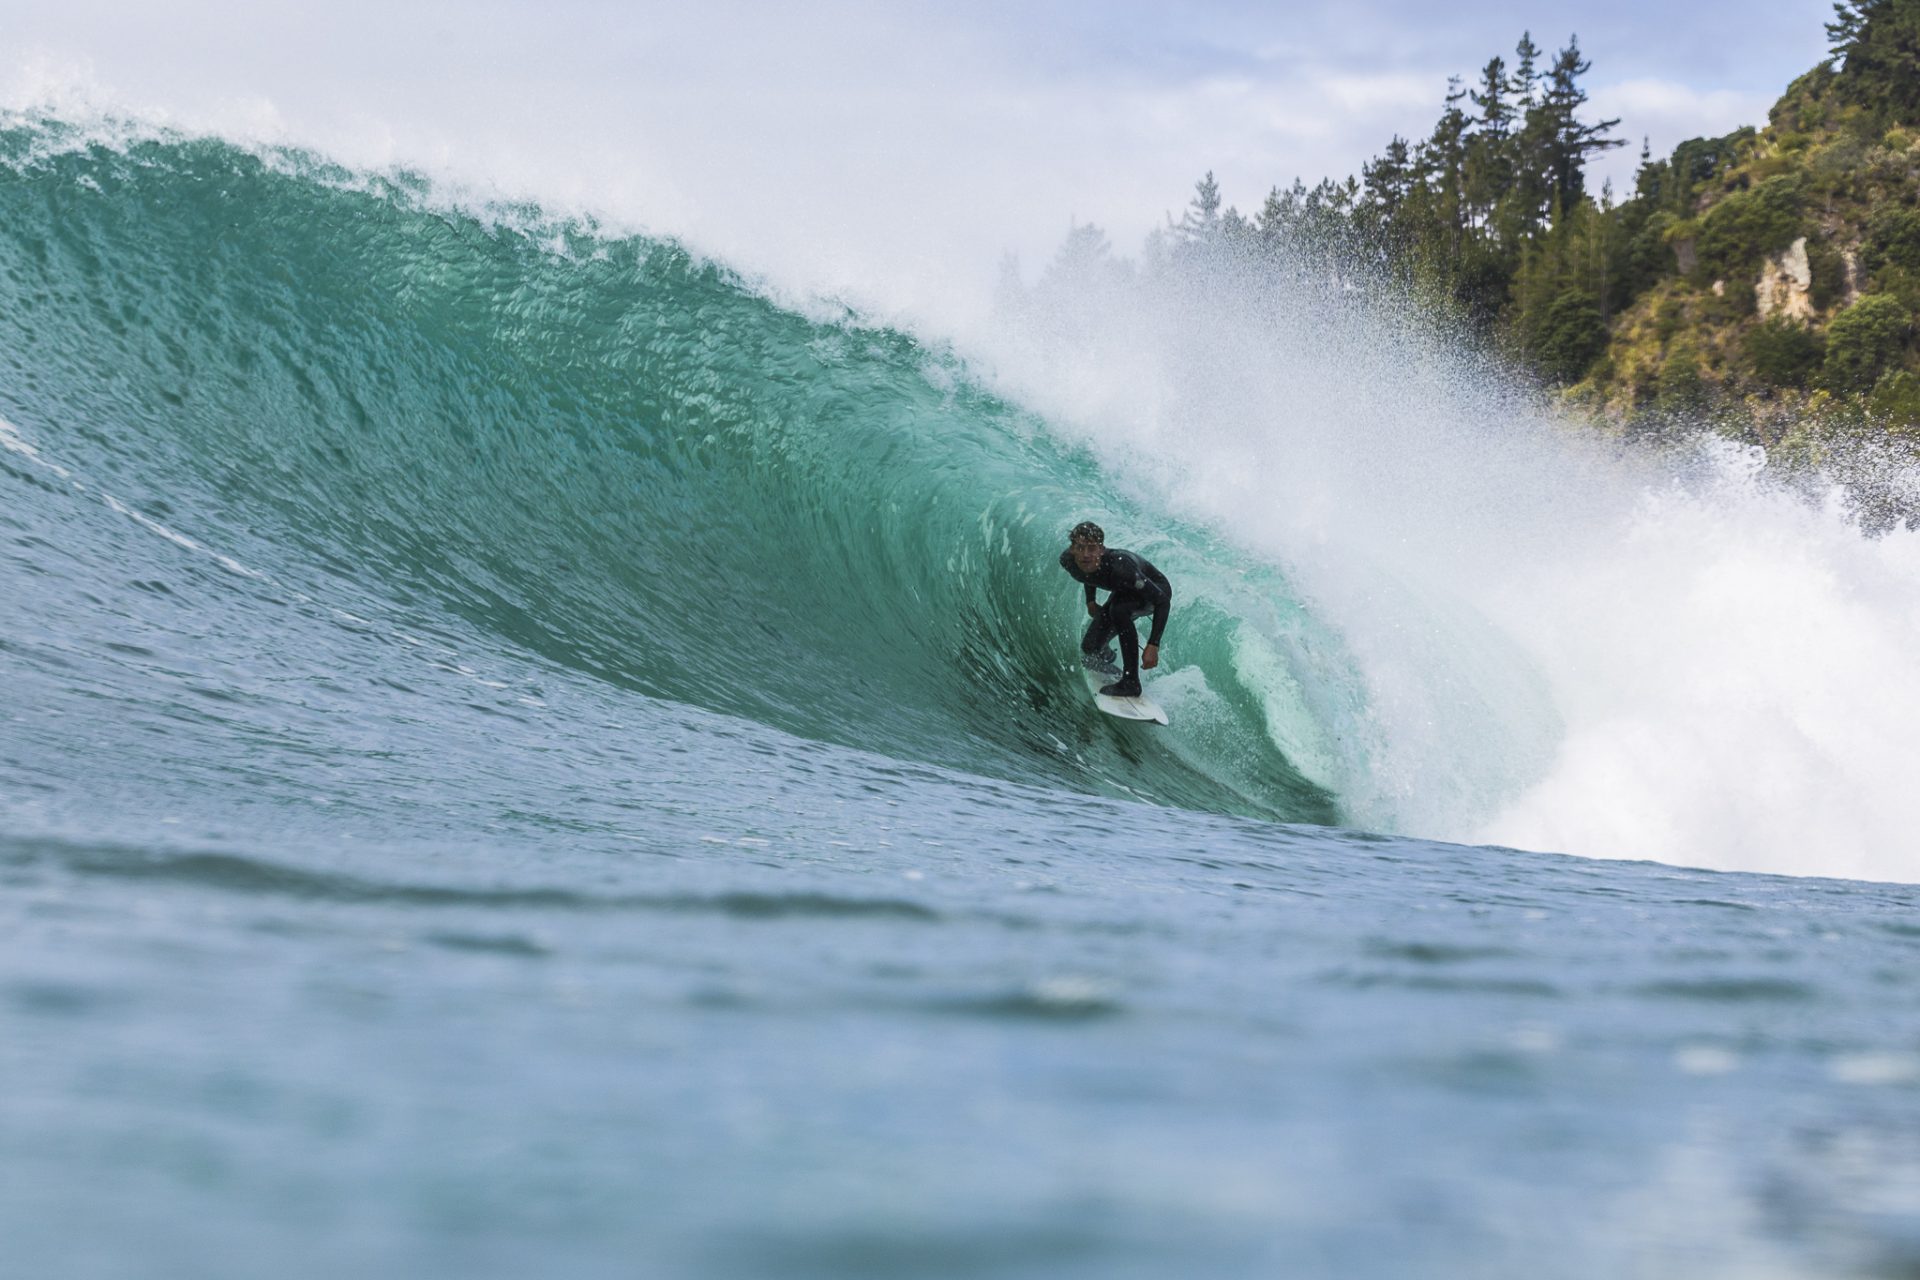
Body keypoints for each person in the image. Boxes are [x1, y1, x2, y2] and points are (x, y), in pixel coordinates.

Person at [1058, 520, 1170, 698]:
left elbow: (1162, 601)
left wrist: (1153, 644)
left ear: (1101, 550)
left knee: (1118, 610)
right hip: (1124, 592)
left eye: (1092, 548)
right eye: (1080, 547)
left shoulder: (1120, 566)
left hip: (1154, 592)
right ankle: (1108, 657)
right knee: (1090, 648)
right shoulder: (1068, 561)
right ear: (1072, 548)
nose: (1085, 554)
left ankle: (1131, 682)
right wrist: (1091, 601)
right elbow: (1088, 575)